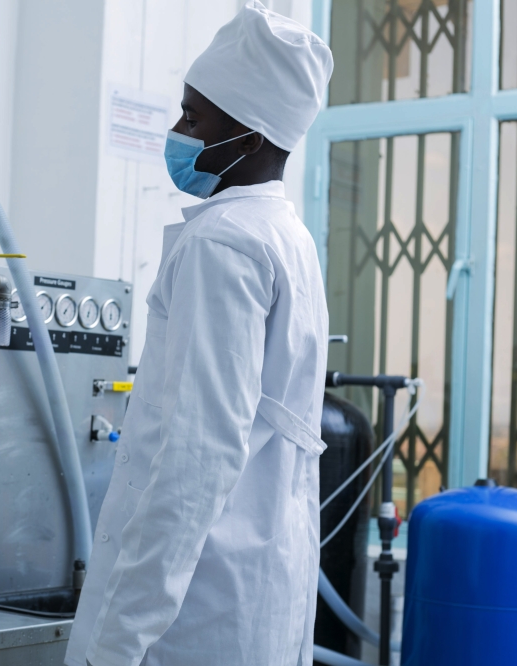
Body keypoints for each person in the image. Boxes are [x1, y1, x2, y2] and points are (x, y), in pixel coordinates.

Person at [65, 3, 333, 666]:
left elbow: (196, 455)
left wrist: (119, 641)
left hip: (192, 614)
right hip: (254, 584)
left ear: (248, 138)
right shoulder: (286, 236)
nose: (178, 130)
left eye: (193, 116)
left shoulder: (224, 243)